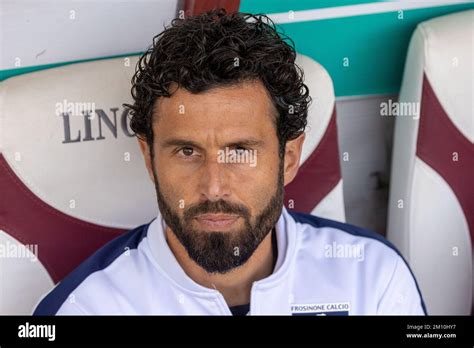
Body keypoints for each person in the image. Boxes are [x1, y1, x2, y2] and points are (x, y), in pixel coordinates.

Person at [34, 9, 426, 316]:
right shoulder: (83, 309)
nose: (214, 187)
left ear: (288, 157)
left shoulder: (372, 276)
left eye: (240, 151)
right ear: (149, 159)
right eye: (187, 151)